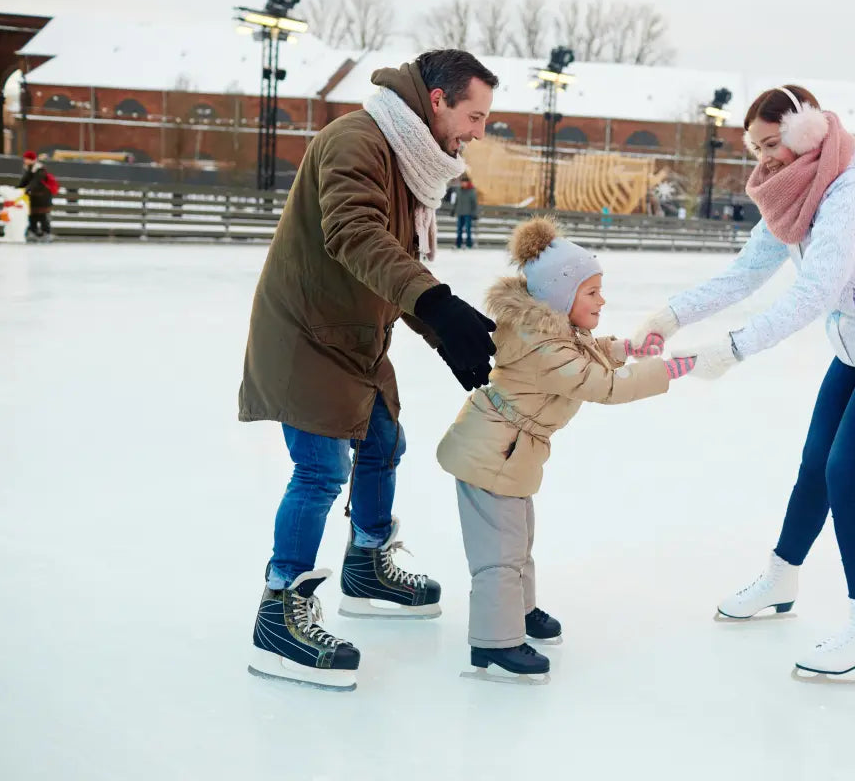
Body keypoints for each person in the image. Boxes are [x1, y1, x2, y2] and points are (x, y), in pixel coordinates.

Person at [631, 85, 855, 677]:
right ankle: (781, 579)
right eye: (756, 148)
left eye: (774, 144)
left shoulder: (852, 194)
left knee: (847, 479)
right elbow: (745, 273)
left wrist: (732, 349)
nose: (765, 160)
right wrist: (669, 318)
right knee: (815, 466)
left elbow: (815, 292)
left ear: (808, 134)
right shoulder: (792, 195)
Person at [239, 50, 500, 691]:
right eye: (476, 115)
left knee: (385, 441)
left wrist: (442, 332)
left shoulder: (408, 157)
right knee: (320, 470)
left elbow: (388, 263)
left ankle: (367, 564)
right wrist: (437, 301)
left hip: (353, 335)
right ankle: (279, 611)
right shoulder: (357, 140)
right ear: (437, 101)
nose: (479, 131)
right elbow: (353, 233)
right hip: (306, 334)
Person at [436, 217, 695, 677]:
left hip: (506, 455)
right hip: (491, 454)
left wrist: (630, 348)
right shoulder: (543, 347)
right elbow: (601, 385)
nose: (602, 300)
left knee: (519, 540)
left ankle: (520, 610)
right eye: (591, 292)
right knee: (500, 550)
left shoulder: (553, 333)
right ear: (560, 296)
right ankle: (495, 642)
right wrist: (665, 371)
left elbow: (587, 352)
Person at [18, 151, 53, 242]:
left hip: (42, 197)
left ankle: (46, 233)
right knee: (32, 216)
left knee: (42, 216)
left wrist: (27, 189)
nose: (24, 160)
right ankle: (33, 232)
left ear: (31, 160)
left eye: (26, 159)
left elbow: (36, 182)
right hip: (33, 197)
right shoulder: (29, 169)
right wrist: (17, 189)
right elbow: (24, 181)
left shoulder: (40, 169)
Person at [453, 174, 479, 248]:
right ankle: (458, 244)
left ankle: (469, 244)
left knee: (468, 230)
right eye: (462, 182)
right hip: (460, 213)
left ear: (467, 183)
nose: (463, 184)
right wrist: (453, 210)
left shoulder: (472, 191)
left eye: (464, 182)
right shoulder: (458, 190)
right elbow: (456, 201)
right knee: (459, 230)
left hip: (468, 213)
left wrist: (475, 214)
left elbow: (474, 203)